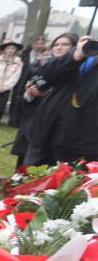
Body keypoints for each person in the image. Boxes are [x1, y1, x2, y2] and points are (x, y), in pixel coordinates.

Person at [24, 33, 98, 165]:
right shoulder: (83, 55)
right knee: (30, 175)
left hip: (82, 146)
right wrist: (75, 55)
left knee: (70, 178)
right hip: (45, 133)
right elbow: (46, 75)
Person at [12, 33, 76, 168]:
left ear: (75, 48)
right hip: (34, 126)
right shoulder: (43, 68)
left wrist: (49, 94)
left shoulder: (78, 72)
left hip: (58, 131)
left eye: (65, 45)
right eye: (56, 45)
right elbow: (25, 101)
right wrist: (29, 94)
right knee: (25, 167)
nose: (59, 48)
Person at [9, 36, 46, 127]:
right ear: (33, 44)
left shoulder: (45, 55)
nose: (39, 46)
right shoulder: (25, 55)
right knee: (18, 101)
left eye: (41, 44)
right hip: (22, 80)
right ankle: (13, 121)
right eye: (37, 43)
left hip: (35, 82)